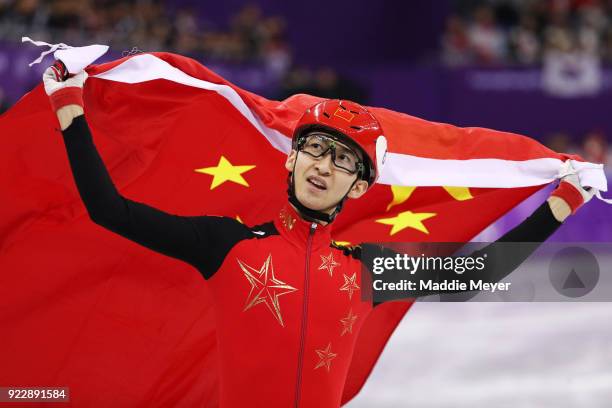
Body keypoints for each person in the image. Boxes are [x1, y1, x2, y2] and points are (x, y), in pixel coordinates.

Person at [42, 61, 595, 407]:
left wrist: (562, 203)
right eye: (313, 149)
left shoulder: (363, 269)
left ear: (358, 189)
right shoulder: (228, 245)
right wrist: (70, 111)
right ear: (291, 161)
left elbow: (482, 271)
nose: (323, 166)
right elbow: (109, 209)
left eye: (341, 160)